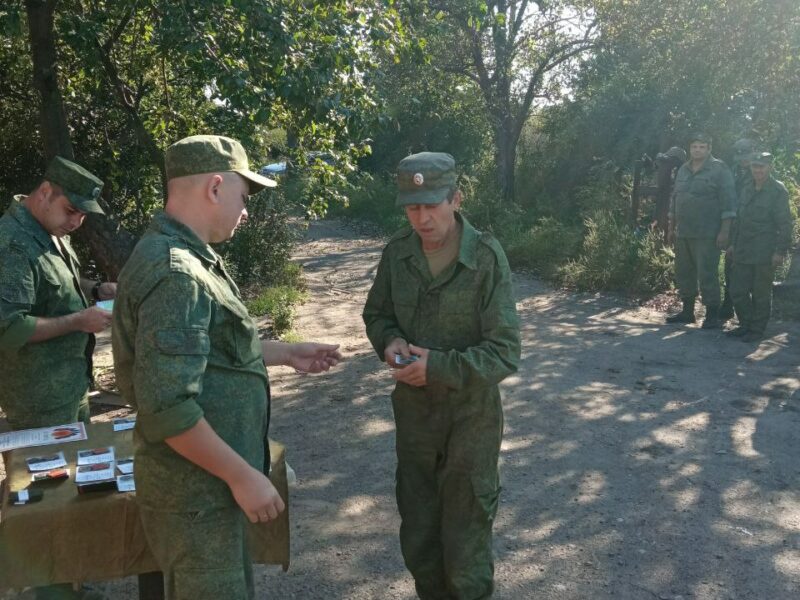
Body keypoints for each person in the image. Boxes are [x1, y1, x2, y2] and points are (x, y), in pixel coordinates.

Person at [112, 134, 341, 600]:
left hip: (202, 492)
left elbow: (211, 351)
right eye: (243, 194)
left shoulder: (182, 255)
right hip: (199, 500)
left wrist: (283, 352)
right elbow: (169, 407)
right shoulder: (177, 272)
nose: (247, 210)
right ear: (215, 187)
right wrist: (243, 476)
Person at [362, 152, 521, 599]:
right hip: (415, 418)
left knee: (466, 541)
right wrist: (389, 342)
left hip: (471, 419)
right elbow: (377, 314)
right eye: (413, 207)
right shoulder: (397, 254)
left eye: (432, 205)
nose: (422, 217)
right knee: (420, 538)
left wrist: (438, 367)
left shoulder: (486, 258)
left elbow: (505, 353)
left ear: (456, 199)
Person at [0, 156, 115, 599]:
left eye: (84, 214)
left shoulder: (46, 231)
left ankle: (71, 583)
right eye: (72, 210)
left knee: (73, 492)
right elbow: (8, 328)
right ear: (45, 192)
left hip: (68, 389)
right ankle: (51, 593)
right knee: (47, 501)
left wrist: (95, 290)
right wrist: (77, 321)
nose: (77, 221)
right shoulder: (12, 244)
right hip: (37, 397)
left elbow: (53, 288)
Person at [666, 132, 737, 328]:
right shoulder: (683, 169)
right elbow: (675, 199)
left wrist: (724, 232)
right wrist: (672, 228)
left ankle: (712, 315)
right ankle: (687, 312)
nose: (697, 150)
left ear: (709, 149)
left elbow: (729, 204)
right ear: (690, 148)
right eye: (694, 146)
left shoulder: (720, 169)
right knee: (684, 273)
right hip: (684, 232)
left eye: (702, 147)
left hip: (707, 233)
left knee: (707, 273)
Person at [728, 152, 794, 342]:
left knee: (760, 293)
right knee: (737, 290)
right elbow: (739, 220)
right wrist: (733, 243)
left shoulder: (777, 191)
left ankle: (756, 330)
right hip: (743, 249)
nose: (757, 170)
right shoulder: (747, 187)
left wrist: (780, 252)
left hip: (764, 251)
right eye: (755, 166)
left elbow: (784, 224)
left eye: (761, 166)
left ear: (770, 167)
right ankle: (745, 324)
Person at [720, 138, 757, 320]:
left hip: (752, 227)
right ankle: (728, 304)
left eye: (746, 153)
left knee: (748, 269)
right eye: (740, 154)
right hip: (733, 224)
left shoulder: (759, 171)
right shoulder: (733, 172)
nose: (743, 158)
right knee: (729, 266)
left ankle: (750, 314)